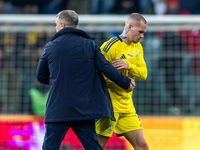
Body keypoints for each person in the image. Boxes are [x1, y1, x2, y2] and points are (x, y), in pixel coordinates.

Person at [36, 10, 135, 150]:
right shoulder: (89, 45)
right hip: (83, 108)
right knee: (93, 146)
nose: (56, 28)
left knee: (50, 147)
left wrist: (59, 80)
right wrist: (125, 82)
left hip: (58, 108)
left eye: (56, 25)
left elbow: (41, 76)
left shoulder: (51, 47)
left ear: (62, 25)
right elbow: (106, 68)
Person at [95, 13, 148, 150]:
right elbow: (98, 75)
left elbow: (144, 74)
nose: (142, 36)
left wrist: (128, 65)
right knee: (98, 146)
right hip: (109, 106)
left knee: (142, 146)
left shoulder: (138, 47)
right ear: (129, 26)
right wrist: (123, 81)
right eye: (140, 32)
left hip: (127, 106)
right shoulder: (109, 47)